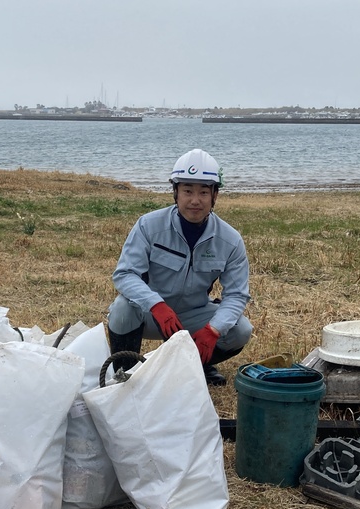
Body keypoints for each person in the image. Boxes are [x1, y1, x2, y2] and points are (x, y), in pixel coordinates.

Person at [107, 148, 252, 386]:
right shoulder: (148, 225)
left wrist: (213, 330)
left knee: (240, 330)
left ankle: (197, 367)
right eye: (187, 191)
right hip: (152, 315)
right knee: (122, 309)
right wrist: (155, 304)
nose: (195, 200)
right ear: (175, 192)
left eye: (204, 192)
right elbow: (125, 274)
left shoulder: (230, 239)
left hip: (193, 316)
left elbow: (236, 295)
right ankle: (125, 374)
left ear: (215, 195)